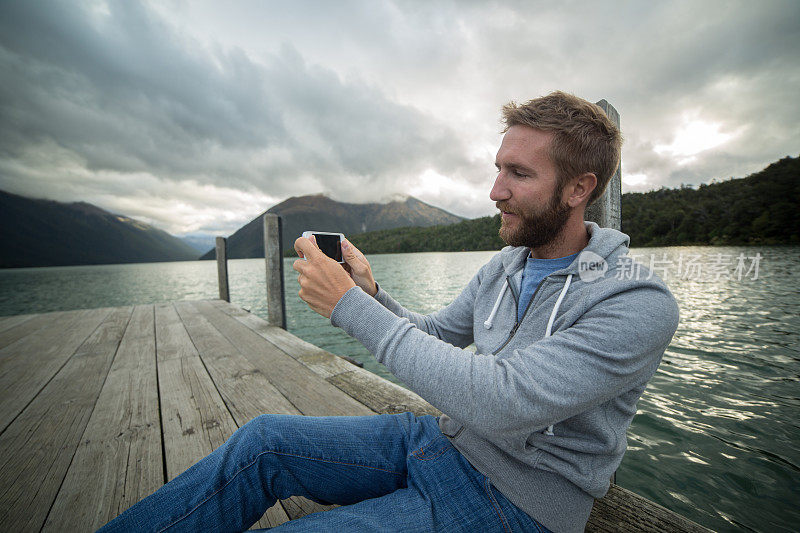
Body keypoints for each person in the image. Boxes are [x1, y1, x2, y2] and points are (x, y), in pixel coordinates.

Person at [99, 91, 679, 533]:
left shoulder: (634, 301)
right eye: (498, 168)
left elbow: (507, 401)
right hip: (444, 442)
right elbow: (432, 337)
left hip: (513, 503)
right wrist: (373, 297)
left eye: (519, 174)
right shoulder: (504, 268)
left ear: (579, 189)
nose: (495, 190)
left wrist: (351, 309)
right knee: (263, 440)